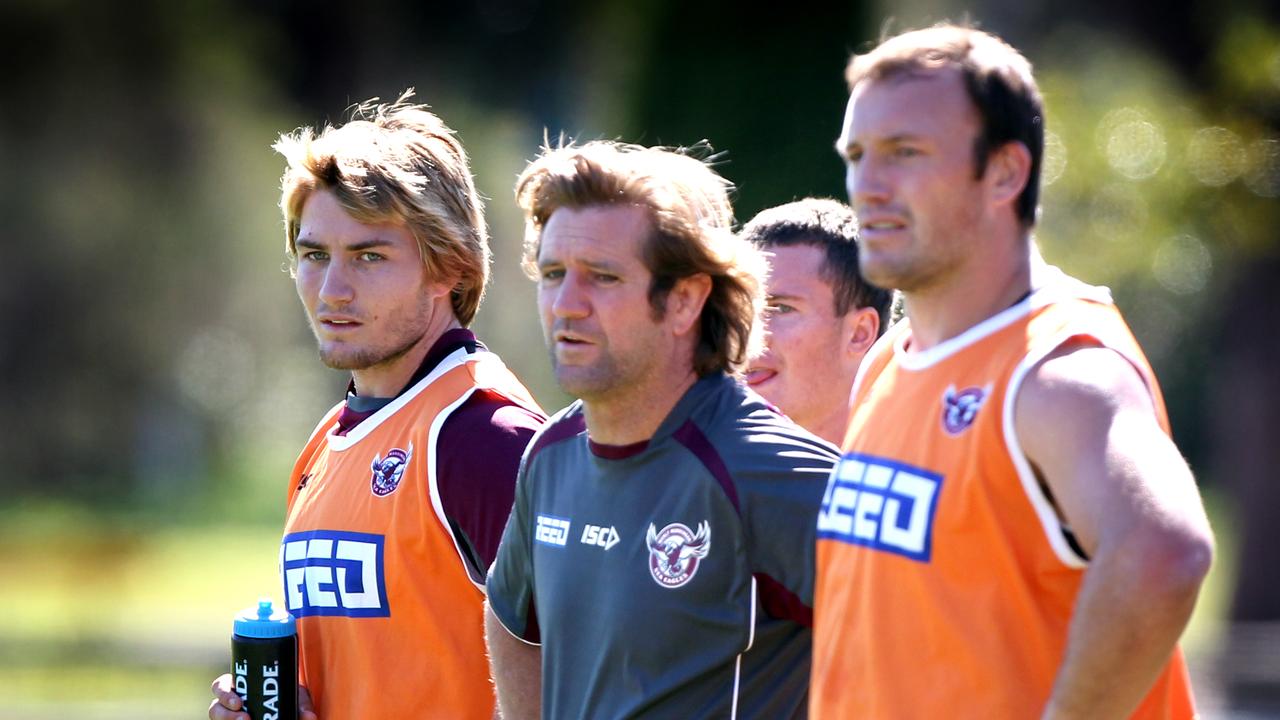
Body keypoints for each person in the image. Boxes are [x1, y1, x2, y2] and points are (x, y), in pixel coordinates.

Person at [810, 24, 1215, 719]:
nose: (866, 186)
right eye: (856, 155)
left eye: (905, 153)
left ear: (1005, 171)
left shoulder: (1058, 371)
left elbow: (1163, 554)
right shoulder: (887, 360)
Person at [208, 93, 545, 719]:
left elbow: (584, 683)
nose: (333, 289)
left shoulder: (485, 438)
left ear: (450, 266)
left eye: (369, 256)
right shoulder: (325, 443)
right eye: (314, 256)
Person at [484, 141, 839, 719]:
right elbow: (511, 620)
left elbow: (930, 653)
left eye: (601, 277)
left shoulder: (776, 474)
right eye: (553, 274)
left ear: (684, 301)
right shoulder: (550, 454)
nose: (566, 304)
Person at [740, 198, 892, 444]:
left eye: (781, 308)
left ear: (859, 333)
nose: (747, 333)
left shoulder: (923, 464)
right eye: (741, 307)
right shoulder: (688, 470)